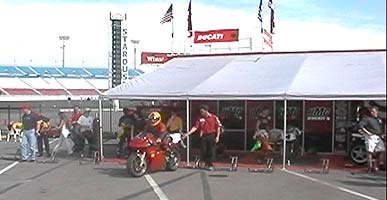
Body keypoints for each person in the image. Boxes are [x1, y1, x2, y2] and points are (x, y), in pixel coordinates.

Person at [184, 104, 222, 171]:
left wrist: (217, 136)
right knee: (203, 150)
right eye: (200, 112)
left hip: (211, 135)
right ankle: (206, 163)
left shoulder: (213, 117)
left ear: (206, 111)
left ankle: (210, 164)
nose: (201, 113)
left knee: (211, 150)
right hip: (204, 136)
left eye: (202, 111)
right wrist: (187, 134)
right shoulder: (200, 119)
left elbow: (218, 126)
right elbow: (195, 127)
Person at [358, 106, 386, 171]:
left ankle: (380, 164)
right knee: (370, 151)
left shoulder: (378, 119)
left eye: (375, 111)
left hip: (378, 136)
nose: (374, 113)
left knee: (382, 150)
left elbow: (380, 127)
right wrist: (367, 132)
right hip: (371, 136)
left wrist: (382, 134)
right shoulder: (367, 118)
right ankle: (369, 167)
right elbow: (360, 125)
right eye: (372, 111)